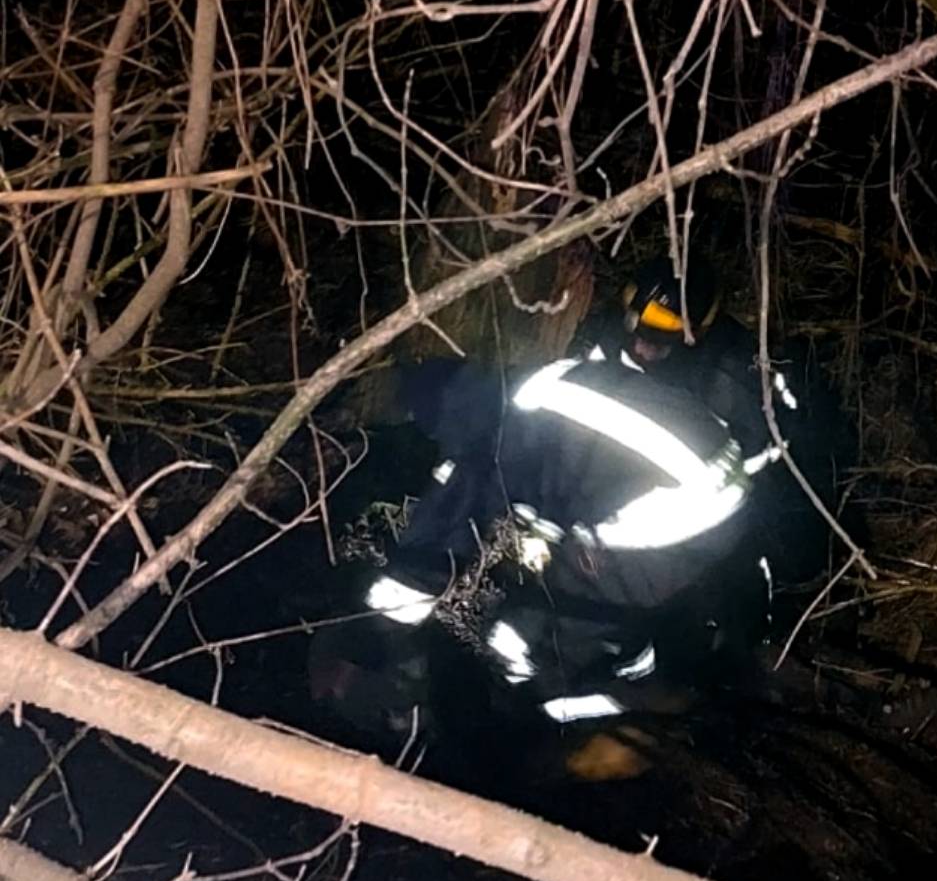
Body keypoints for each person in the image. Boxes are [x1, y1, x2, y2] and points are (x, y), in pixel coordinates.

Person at [308, 349, 775, 765]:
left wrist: (382, 636)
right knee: (591, 604)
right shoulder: (538, 386)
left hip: (676, 506)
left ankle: (560, 735)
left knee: (518, 644)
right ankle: (636, 664)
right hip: (719, 483)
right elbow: (574, 474)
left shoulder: (487, 442)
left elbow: (430, 556)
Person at [579, 254, 853, 612]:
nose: (641, 346)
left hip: (747, 489)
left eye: (661, 334)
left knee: (735, 569)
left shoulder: (730, 380)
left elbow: (745, 476)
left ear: (696, 331)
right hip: (638, 463)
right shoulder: (612, 336)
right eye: (637, 320)